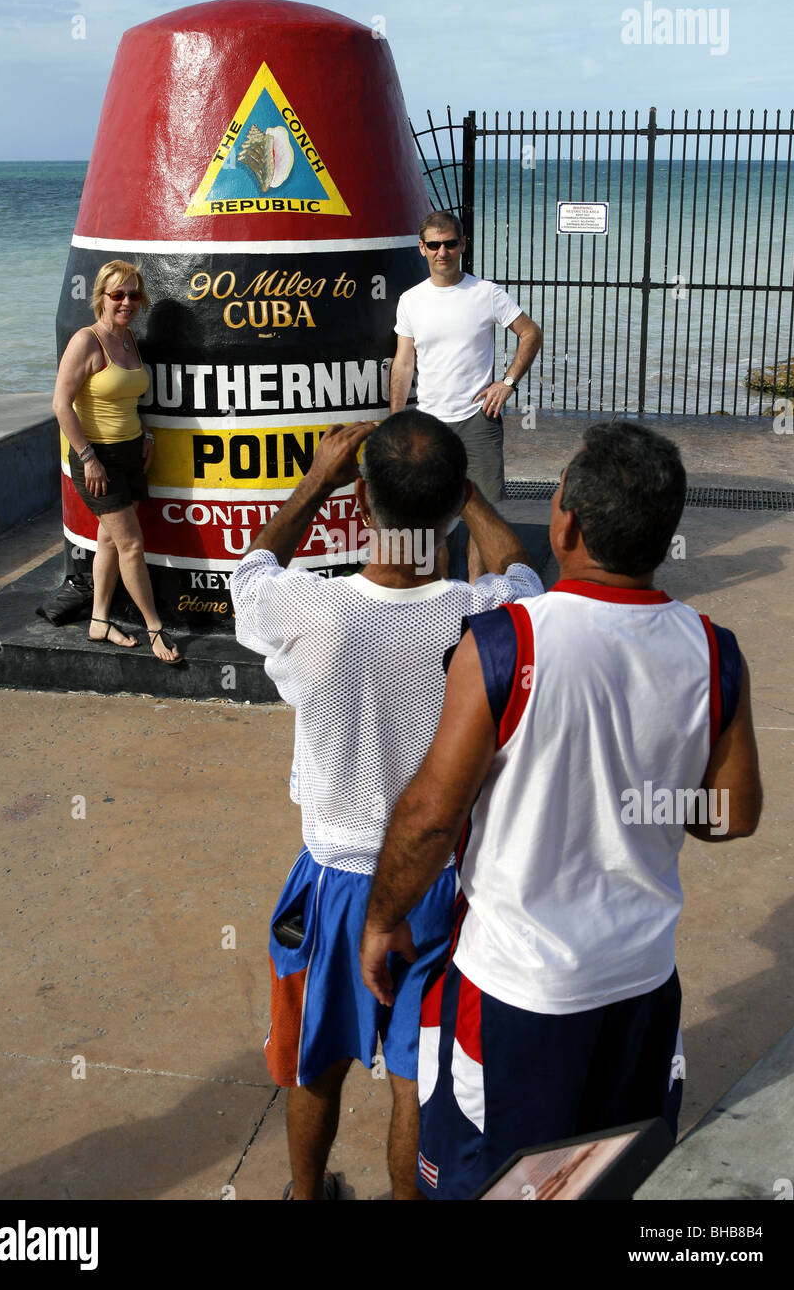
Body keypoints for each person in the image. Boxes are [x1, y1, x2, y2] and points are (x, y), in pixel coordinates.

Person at [361, 421, 763, 1200]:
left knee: (489, 1186)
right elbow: (730, 816)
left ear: (567, 524)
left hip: (516, 993)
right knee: (605, 1184)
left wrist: (382, 919)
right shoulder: (714, 651)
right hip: (641, 988)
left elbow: (428, 819)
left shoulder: (509, 641)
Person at [229, 409, 544, 1200]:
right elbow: (520, 570)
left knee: (314, 1061)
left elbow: (250, 575)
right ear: (449, 504)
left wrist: (314, 481)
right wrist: (467, 495)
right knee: (416, 1079)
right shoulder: (487, 621)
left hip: (336, 879)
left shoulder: (313, 610)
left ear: (362, 499)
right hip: (440, 885)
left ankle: (307, 1196)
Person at [390, 211, 542, 578]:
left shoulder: (486, 294)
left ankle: (475, 591)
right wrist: (396, 421)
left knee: (482, 514)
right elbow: (403, 363)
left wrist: (507, 383)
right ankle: (443, 592)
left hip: (479, 420)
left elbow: (531, 333)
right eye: (435, 245)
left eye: (450, 244)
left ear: (462, 245)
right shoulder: (410, 300)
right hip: (429, 423)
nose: (443, 252)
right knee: (432, 517)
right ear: (422, 248)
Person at [52, 260, 181, 663]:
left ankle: (99, 620)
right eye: (118, 294)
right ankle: (155, 628)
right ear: (101, 298)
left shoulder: (128, 340)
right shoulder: (87, 341)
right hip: (98, 458)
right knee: (131, 543)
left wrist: (144, 433)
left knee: (109, 538)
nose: (127, 302)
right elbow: (61, 404)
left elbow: (127, 399)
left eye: (134, 294)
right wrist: (88, 458)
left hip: (129, 453)